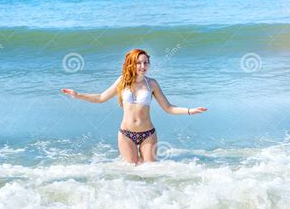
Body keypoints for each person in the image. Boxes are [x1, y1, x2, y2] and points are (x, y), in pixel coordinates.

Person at [61, 48, 207, 165]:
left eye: (145, 63)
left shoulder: (152, 84)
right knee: (132, 170)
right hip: (126, 134)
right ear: (131, 64)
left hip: (148, 134)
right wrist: (78, 95)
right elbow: (100, 98)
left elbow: (168, 108)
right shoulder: (122, 82)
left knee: (150, 171)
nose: (143, 66)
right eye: (139, 63)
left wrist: (189, 111)